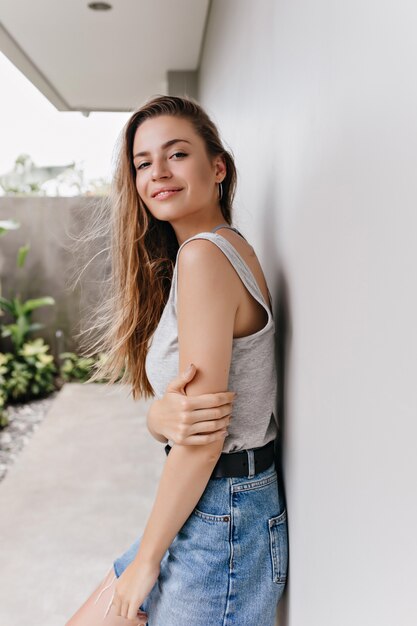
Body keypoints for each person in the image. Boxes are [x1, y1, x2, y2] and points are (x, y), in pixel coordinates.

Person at [66, 94, 288, 626]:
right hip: (211, 507)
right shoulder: (204, 253)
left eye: (177, 154)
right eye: (143, 163)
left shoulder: (205, 256)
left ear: (218, 167)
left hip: (223, 522)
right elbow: (190, 415)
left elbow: (204, 435)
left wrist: (146, 561)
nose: (157, 173)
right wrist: (156, 417)